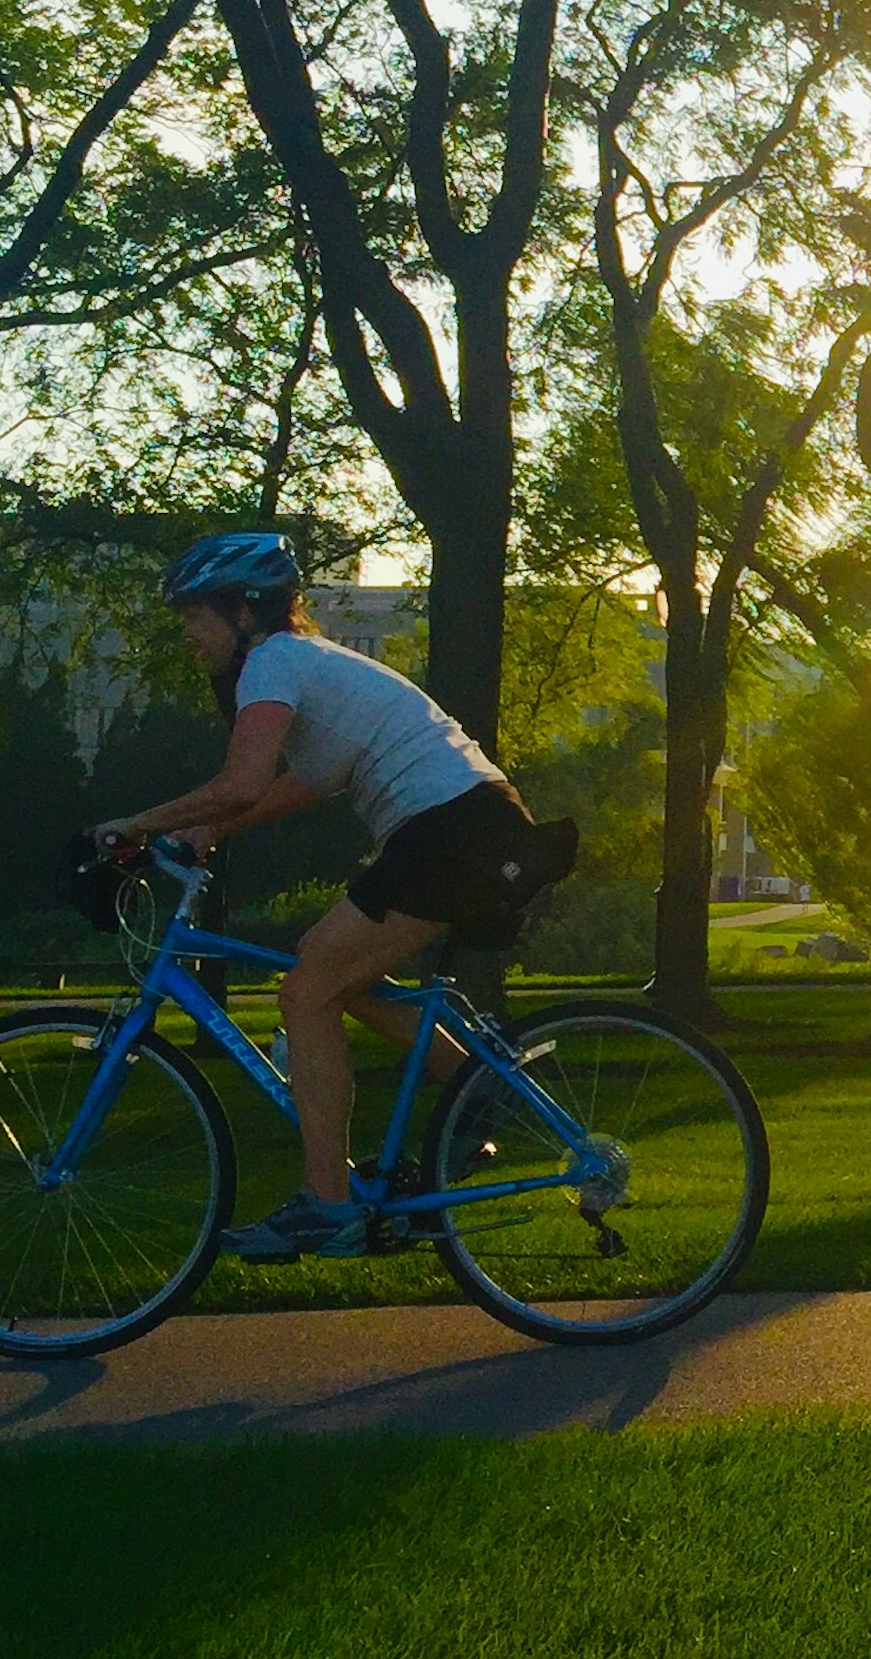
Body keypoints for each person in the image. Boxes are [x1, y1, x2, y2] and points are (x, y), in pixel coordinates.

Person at [98, 531, 564, 1262]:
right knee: (332, 975)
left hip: (450, 832)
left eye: (195, 614)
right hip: (467, 826)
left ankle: (328, 1205)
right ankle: (472, 1084)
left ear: (243, 613)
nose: (187, 631)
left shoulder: (274, 662)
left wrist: (134, 823)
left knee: (306, 988)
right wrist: (203, 835)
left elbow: (242, 783)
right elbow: (303, 783)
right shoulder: (305, 664)